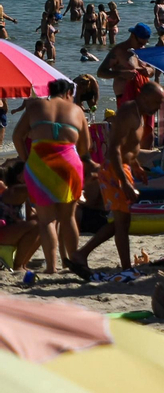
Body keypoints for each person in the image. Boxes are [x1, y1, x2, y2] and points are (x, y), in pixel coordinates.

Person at [69, 81, 164, 276]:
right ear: (145, 97)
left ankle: (83, 254)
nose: (158, 108)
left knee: (122, 222)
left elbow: (129, 147)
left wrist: (136, 166)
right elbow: (114, 149)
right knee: (122, 222)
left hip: (124, 167)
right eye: (156, 102)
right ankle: (124, 267)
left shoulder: (139, 113)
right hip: (114, 169)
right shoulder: (128, 112)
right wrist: (124, 182)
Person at [11, 78, 90, 275]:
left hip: (39, 164)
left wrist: (27, 158)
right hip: (69, 164)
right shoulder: (77, 110)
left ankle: (51, 267)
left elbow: (17, 136)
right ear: (68, 94)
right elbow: (85, 147)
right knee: (68, 217)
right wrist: (71, 155)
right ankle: (74, 263)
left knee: (46, 220)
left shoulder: (35, 106)